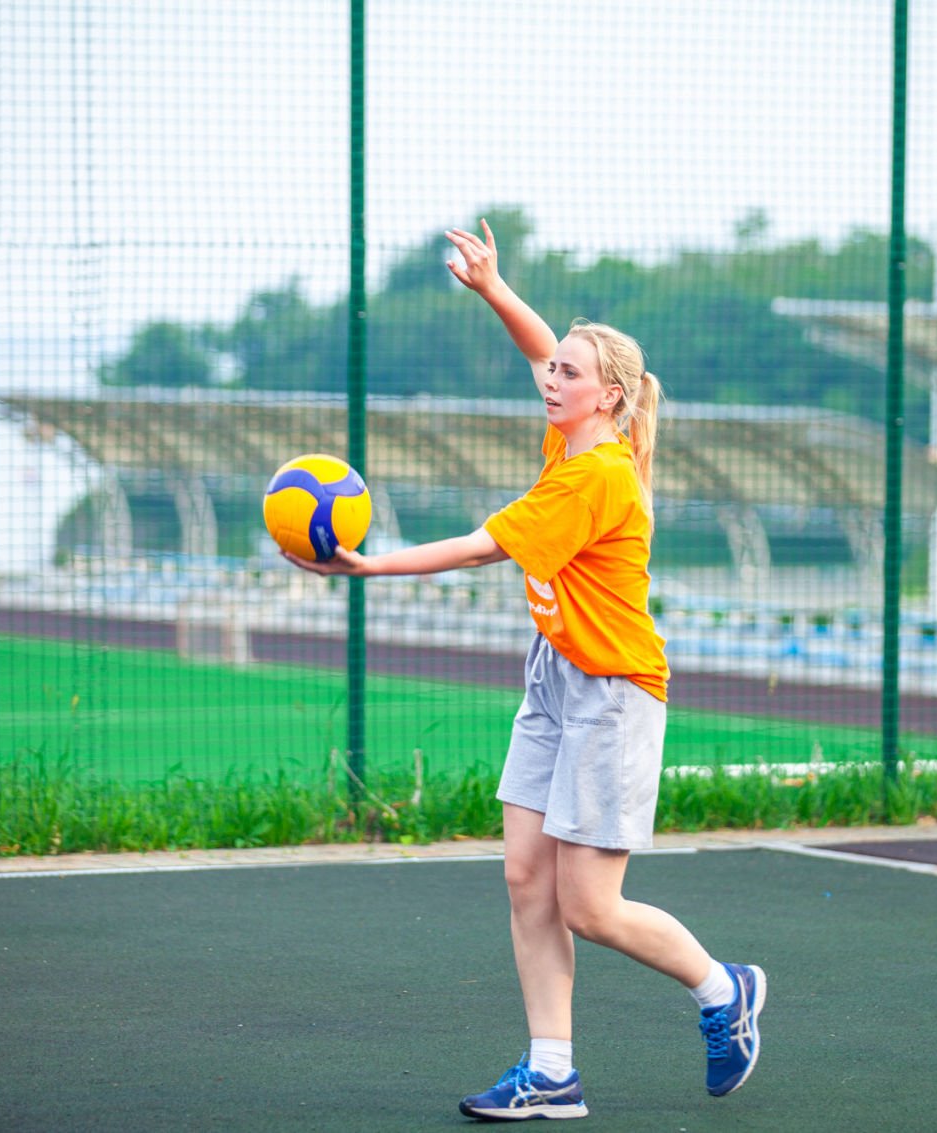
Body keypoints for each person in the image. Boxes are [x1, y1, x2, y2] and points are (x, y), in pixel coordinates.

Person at [282, 219, 764, 1121]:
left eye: (569, 375)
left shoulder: (595, 478)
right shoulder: (571, 437)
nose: (552, 379)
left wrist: (364, 567)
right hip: (554, 678)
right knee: (525, 880)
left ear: (609, 397)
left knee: (592, 907)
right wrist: (496, 289)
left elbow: (480, 547)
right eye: (555, 372)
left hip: (613, 694)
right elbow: (545, 347)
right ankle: (552, 1072)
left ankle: (722, 987)